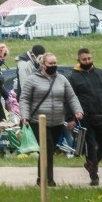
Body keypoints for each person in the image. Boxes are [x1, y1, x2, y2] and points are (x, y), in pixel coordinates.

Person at [20, 53, 83, 187]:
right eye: (51, 64)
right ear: (43, 65)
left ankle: (40, 178)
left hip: (58, 122)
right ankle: (48, 179)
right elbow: (24, 99)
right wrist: (24, 116)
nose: (54, 66)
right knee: (46, 148)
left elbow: (71, 97)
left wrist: (78, 110)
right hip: (38, 121)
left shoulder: (62, 79)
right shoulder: (32, 80)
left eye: (55, 63)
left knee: (49, 150)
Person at [67, 48, 102, 186]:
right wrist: (70, 118)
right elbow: (68, 98)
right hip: (85, 117)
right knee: (91, 145)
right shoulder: (73, 77)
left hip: (101, 114)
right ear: (78, 61)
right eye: (84, 59)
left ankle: (92, 165)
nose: (88, 61)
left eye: (89, 59)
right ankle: (94, 175)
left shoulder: (100, 73)